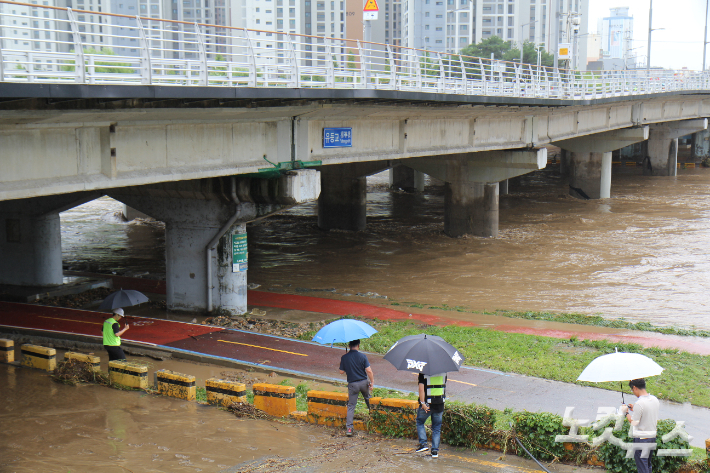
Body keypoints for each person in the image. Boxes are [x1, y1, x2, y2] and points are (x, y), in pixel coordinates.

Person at [621, 378, 660, 473]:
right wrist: (635, 409)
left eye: (632, 390)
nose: (633, 392)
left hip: (641, 439)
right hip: (652, 437)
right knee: (647, 465)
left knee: (642, 467)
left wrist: (626, 413)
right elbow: (647, 412)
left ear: (634, 388)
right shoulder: (654, 399)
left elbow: (634, 422)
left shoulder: (639, 403)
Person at [338, 339, 374, 437]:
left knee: (351, 406)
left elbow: (341, 372)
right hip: (363, 383)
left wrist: (345, 363)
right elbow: (369, 371)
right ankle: (375, 420)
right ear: (358, 345)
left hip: (353, 385)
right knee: (368, 400)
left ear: (349, 346)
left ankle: (349, 429)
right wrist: (372, 382)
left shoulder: (344, 357)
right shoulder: (363, 356)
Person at [415, 372, 447, 458]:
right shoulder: (444, 373)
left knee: (420, 422)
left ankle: (423, 444)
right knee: (436, 428)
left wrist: (423, 403)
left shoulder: (423, 372)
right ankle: (435, 451)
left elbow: (421, 390)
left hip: (427, 405)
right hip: (439, 405)